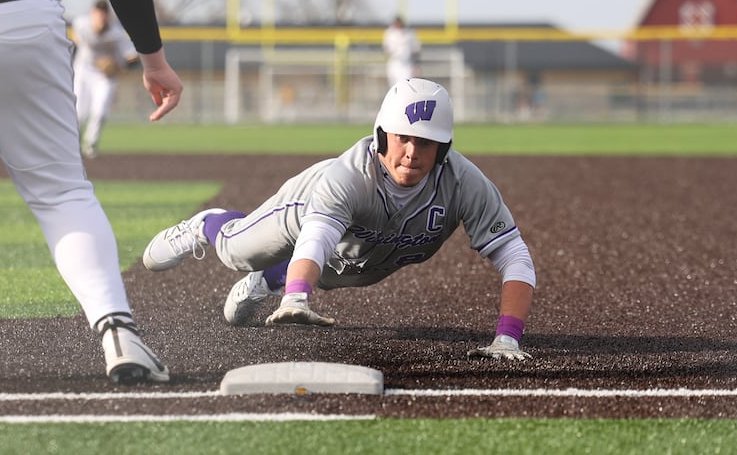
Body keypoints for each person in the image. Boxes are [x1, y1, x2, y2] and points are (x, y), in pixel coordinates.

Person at [144, 78, 536, 361]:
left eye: (426, 142)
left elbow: (514, 255)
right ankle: (208, 225)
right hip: (303, 211)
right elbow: (316, 235)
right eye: (403, 137)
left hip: (367, 250)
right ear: (382, 136)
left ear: (444, 148)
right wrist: (297, 298)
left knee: (349, 270)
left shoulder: (464, 182)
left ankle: (270, 278)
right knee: (237, 253)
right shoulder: (350, 175)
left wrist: (508, 338)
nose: (413, 151)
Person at [0, 0, 184, 384]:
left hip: (18, 12)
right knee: (61, 195)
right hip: (18, 14)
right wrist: (153, 59)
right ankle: (119, 334)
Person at [71, 0, 139, 158]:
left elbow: (133, 59)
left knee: (99, 112)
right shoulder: (81, 24)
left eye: (103, 14)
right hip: (83, 72)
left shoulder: (116, 33)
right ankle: (73, 146)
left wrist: (117, 65)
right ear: (92, 14)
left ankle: (91, 145)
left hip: (104, 77)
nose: (100, 18)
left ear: (108, 16)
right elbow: (74, 41)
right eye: (98, 14)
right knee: (78, 114)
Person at [382, 15, 422, 87]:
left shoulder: (409, 34)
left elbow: (416, 50)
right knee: (394, 87)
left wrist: (416, 66)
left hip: (406, 65)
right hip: (394, 64)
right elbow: (386, 49)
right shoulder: (389, 33)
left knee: (406, 86)